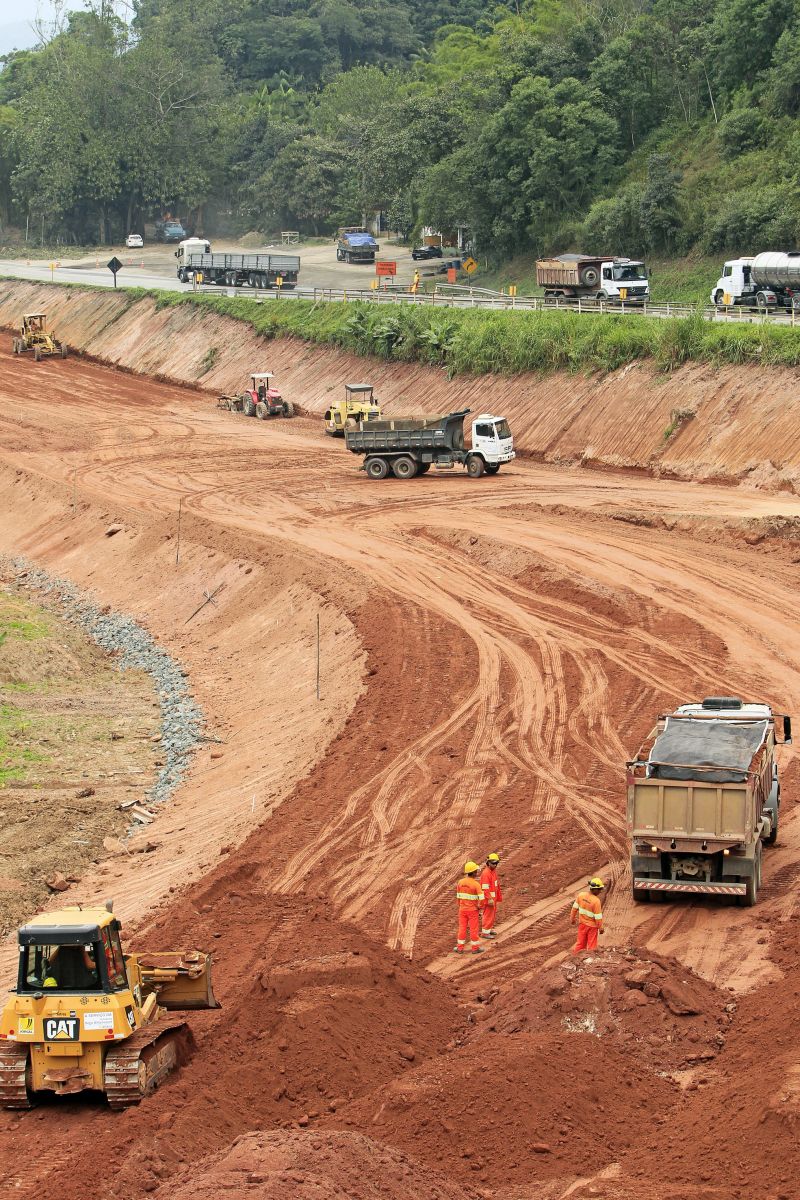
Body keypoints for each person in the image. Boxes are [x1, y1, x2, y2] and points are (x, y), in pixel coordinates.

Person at [453, 861, 484, 954]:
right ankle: (475, 948)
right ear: (474, 872)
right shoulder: (476, 884)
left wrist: (461, 905)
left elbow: (458, 896)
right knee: (473, 929)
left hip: (462, 910)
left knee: (462, 928)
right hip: (472, 911)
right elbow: (482, 898)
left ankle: (460, 948)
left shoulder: (460, 882)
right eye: (476, 871)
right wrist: (480, 907)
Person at [570, 878, 605, 953]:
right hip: (592, 927)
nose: (600, 891)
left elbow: (574, 908)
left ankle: (575, 957)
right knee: (592, 946)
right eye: (599, 889)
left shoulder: (581, 895)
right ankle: (590, 961)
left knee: (580, 944)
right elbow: (598, 917)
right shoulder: (596, 901)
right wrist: (601, 928)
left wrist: (572, 919)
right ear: (594, 889)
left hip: (582, 924)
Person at [480, 852, 503, 938]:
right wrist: (489, 899)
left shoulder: (493, 871)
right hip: (489, 899)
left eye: (496, 863)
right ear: (488, 863)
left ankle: (488, 929)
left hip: (493, 898)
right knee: (488, 915)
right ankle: (485, 932)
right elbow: (485, 888)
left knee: (492, 914)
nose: (495, 865)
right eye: (493, 863)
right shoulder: (486, 873)